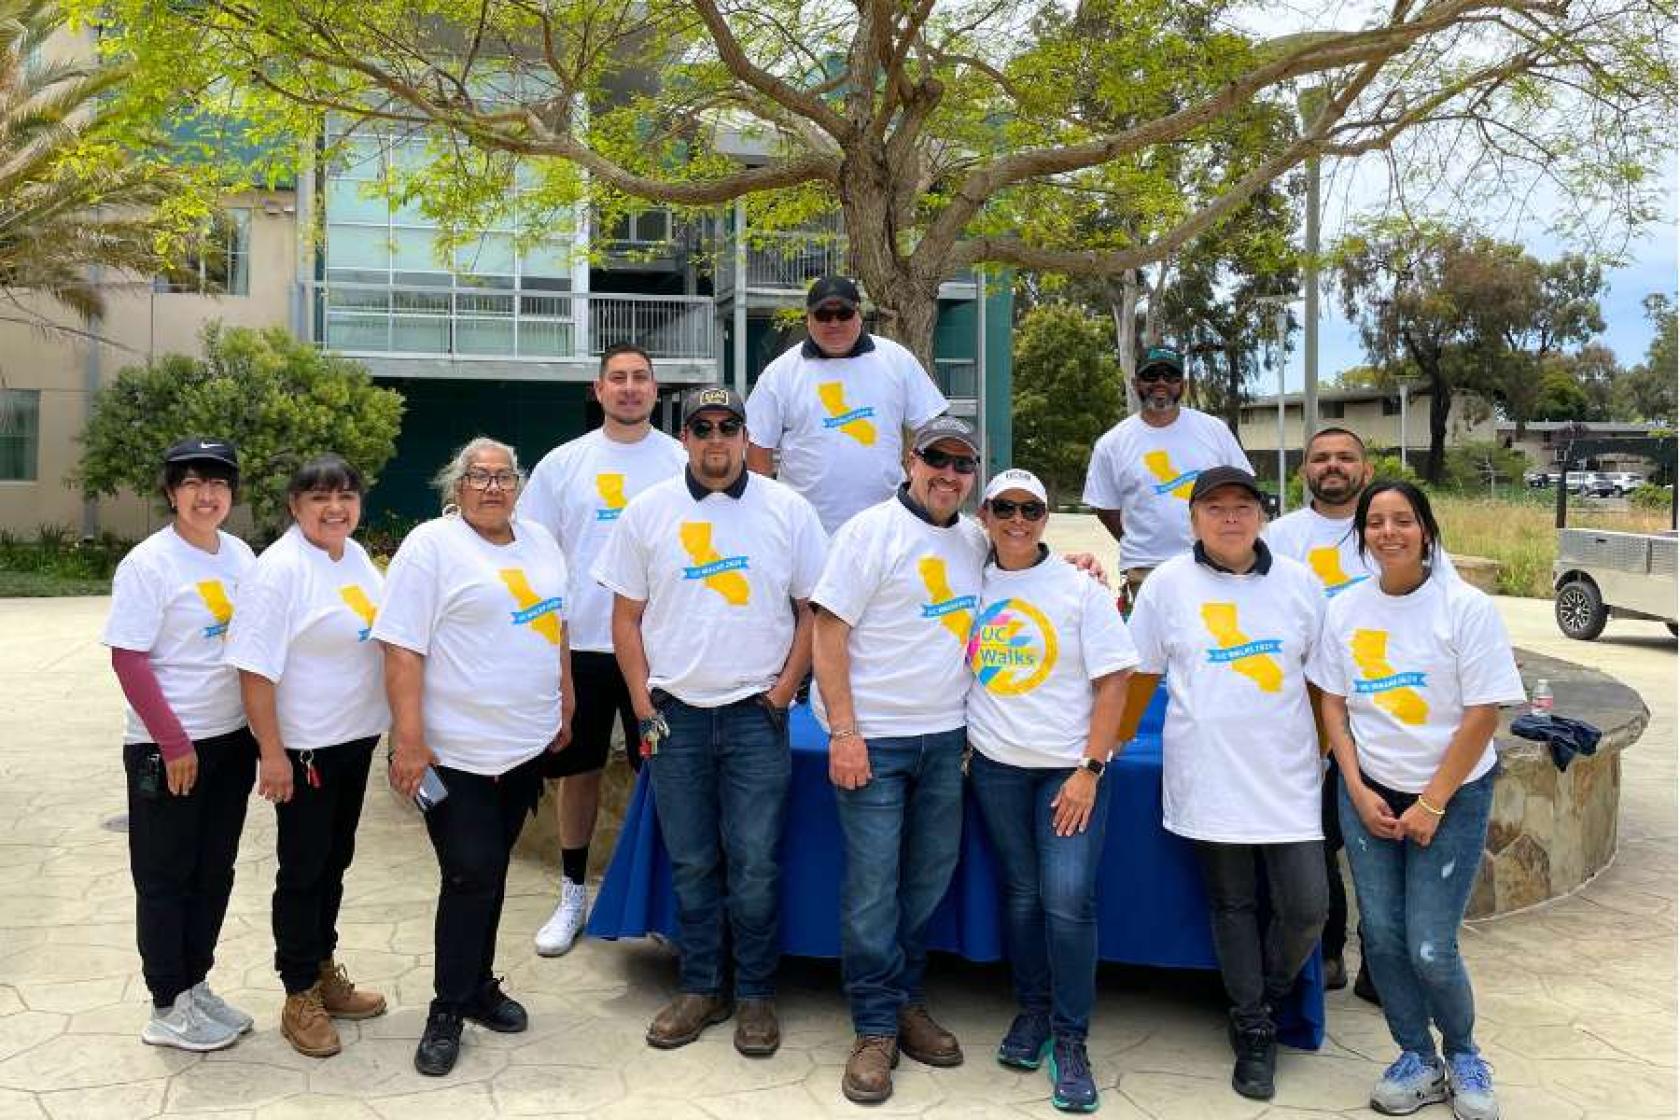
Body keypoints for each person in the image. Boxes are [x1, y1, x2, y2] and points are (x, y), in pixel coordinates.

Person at [593, 385, 826, 1058]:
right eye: (703, 427)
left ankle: (754, 993)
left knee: (753, 864)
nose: (716, 438)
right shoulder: (646, 513)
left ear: (745, 436)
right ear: (686, 436)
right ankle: (702, 987)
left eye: (728, 426)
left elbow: (813, 610)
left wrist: (784, 692)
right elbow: (625, 618)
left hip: (757, 716)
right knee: (693, 862)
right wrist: (641, 702)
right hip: (676, 718)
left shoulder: (788, 510)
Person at [1313, 481, 1524, 1120]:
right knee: (1380, 936)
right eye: (1375, 522)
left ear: (1425, 530)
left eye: (1402, 520)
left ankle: (1462, 1054)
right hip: (1370, 790)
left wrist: (1432, 803)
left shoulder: (1466, 608)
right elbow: (1331, 701)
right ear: (1362, 536)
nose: (1389, 532)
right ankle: (1416, 1057)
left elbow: (1484, 712)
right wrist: (1353, 784)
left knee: (1430, 943)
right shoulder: (1345, 609)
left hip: (1452, 794)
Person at [1122, 466, 1328, 1103]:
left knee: (1306, 907)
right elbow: (1137, 677)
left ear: (1261, 516)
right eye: (1215, 507)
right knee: (1232, 904)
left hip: (1288, 781)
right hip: (1207, 778)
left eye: (1243, 505)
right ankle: (1254, 1027)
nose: (1231, 517)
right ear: (1194, 520)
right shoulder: (1166, 585)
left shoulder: (1301, 584)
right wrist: (1104, 749)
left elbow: (1324, 684)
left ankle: (1263, 993)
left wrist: (1324, 754)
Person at [375, 437, 575, 1077]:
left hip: (522, 749)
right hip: (455, 753)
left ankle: (480, 986)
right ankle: (447, 1009)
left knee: (489, 873)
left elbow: (556, 625)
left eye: (504, 476)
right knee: (468, 874)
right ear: (455, 487)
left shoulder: (541, 542)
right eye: (478, 476)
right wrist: (409, 740)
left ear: (519, 485)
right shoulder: (431, 548)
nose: (493, 486)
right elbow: (401, 648)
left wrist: (564, 698)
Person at [812, 414, 988, 1104]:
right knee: (872, 890)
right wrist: (845, 732)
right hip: (875, 742)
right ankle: (875, 1027)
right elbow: (828, 635)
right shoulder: (869, 532)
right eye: (937, 460)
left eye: (962, 464)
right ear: (912, 461)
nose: (948, 475)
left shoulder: (976, 540)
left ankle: (905, 999)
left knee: (925, 882)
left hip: (947, 741)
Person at [964, 468, 1139, 1114]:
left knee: (1067, 899)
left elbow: (1114, 683)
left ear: (1045, 515)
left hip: (1069, 771)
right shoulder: (969, 579)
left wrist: (1090, 768)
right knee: (1023, 895)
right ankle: (1033, 1013)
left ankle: (1071, 1037)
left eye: (1030, 509)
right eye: (1004, 507)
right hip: (996, 768)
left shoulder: (1078, 587)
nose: (1017, 519)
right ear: (983, 514)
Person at [1266, 427, 1458, 1000]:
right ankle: (1326, 951)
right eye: (1320, 458)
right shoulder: (1280, 537)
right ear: (1305, 471)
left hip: (1387, 713)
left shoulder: (1400, 534)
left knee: (1392, 846)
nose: (1333, 466)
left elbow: (1441, 614)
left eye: (1345, 457)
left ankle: (1384, 965)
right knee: (1318, 837)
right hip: (1305, 709)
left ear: (1366, 469)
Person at [519, 343, 686, 957]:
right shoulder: (563, 465)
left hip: (658, 650)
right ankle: (571, 894)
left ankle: (664, 902)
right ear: (598, 389)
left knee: (663, 777)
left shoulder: (680, 461)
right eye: (617, 378)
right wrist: (546, 650)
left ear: (655, 388)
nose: (629, 388)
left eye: (641, 377)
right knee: (578, 774)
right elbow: (534, 558)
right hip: (584, 644)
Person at [226, 454, 391, 1058]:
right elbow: (253, 670)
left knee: (334, 861)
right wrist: (271, 754)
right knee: (302, 869)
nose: (335, 507)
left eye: (346, 495)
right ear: (294, 507)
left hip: (355, 739)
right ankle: (298, 993)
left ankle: (322, 968)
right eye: (319, 496)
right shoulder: (279, 571)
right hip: (305, 748)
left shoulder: (356, 560)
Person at [103, 437, 258, 1052]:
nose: (206, 495)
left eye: (217, 484)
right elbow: (129, 660)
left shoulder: (239, 555)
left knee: (213, 871)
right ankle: (166, 1003)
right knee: (165, 876)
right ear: (171, 492)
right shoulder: (149, 563)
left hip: (230, 740)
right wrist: (172, 743)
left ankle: (195, 984)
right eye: (192, 483)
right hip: (168, 747)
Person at [746, 275, 949, 534]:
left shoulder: (896, 360)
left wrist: (922, 494)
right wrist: (769, 515)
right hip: (808, 531)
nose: (834, 323)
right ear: (808, 320)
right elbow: (757, 448)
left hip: (887, 527)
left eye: (843, 313)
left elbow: (935, 429)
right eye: (823, 315)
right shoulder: (780, 373)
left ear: (858, 315)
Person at [1082, 346, 1251, 596]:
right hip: (1147, 570)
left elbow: (1245, 491)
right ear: (1136, 382)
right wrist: (1141, 540)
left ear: (1182, 384)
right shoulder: (1111, 443)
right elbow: (1105, 507)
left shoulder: (1214, 430)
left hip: (1217, 562)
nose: (1161, 382)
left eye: (1170, 375)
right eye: (1151, 375)